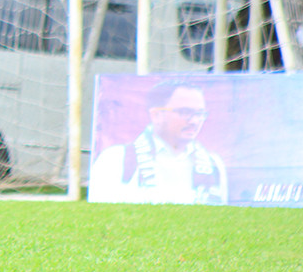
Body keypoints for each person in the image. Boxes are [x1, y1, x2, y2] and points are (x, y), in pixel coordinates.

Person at [88, 80, 227, 205]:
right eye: (185, 112)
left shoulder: (213, 163)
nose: (194, 121)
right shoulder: (115, 159)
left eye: (200, 113)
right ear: (156, 115)